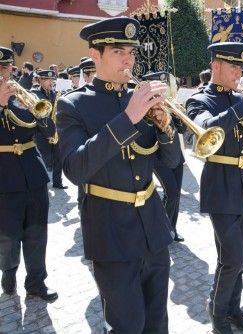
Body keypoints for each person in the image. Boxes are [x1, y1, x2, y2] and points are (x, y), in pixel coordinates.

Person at [57, 17, 182, 332]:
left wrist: (166, 127)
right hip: (110, 228)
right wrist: (129, 118)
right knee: (127, 324)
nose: (128, 59)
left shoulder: (137, 98)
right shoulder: (73, 105)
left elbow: (171, 162)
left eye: (131, 51)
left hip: (152, 225)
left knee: (157, 321)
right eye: (117, 51)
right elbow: (74, 168)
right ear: (95, 55)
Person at [187, 41, 243, 334]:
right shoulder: (199, 99)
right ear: (215, 66)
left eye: (241, 66)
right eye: (233, 66)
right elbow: (205, 130)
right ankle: (217, 310)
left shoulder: (241, 97)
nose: (239, 72)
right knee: (232, 257)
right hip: (220, 183)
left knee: (241, 255)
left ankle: (233, 307)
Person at [0, 46, 58, 301]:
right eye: (0, 69)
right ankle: (8, 271)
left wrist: (42, 115)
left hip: (33, 175)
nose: (4, 74)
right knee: (7, 235)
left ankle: (36, 282)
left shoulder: (24, 98)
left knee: (37, 233)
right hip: (3, 179)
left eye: (6, 68)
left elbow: (51, 134)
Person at [143, 71, 187, 242]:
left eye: (162, 91)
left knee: (173, 197)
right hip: (159, 158)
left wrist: (177, 113)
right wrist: (159, 120)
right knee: (173, 194)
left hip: (177, 155)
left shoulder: (169, 105)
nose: (160, 95)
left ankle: (171, 229)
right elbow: (148, 136)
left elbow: (182, 130)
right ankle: (163, 228)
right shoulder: (145, 111)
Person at [31, 69, 67, 189]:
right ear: (40, 80)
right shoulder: (35, 93)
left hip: (55, 131)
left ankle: (58, 182)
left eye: (51, 79)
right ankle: (40, 184)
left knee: (58, 157)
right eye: (47, 79)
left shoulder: (55, 93)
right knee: (44, 158)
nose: (50, 82)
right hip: (41, 132)